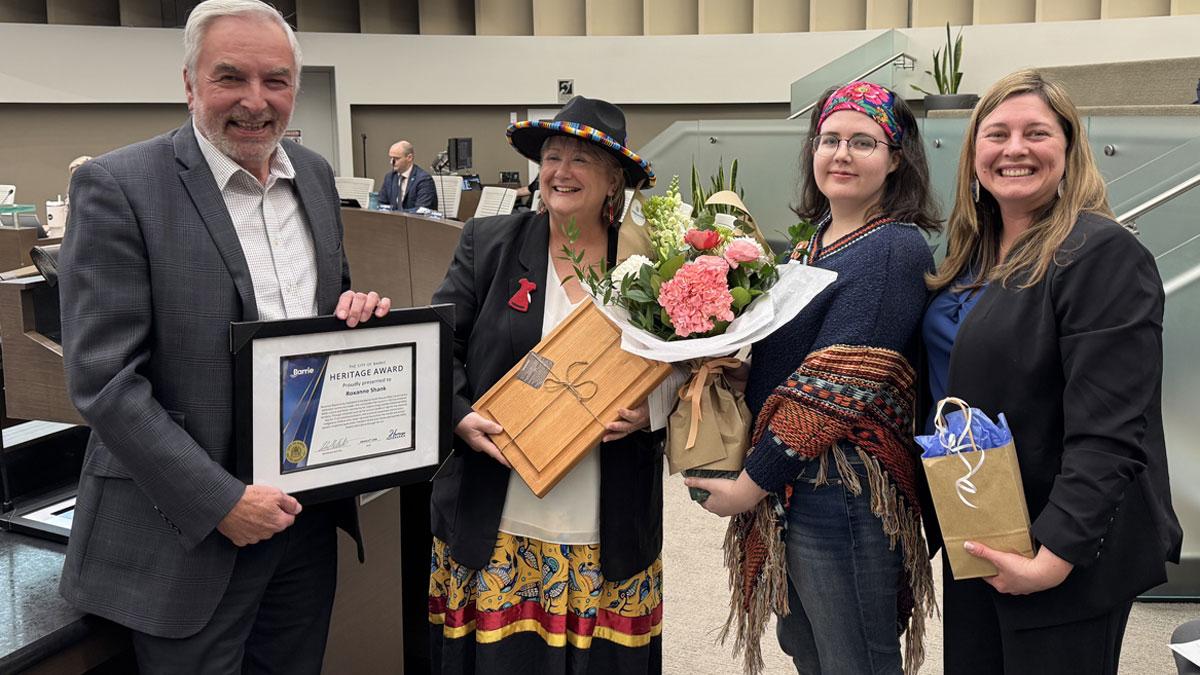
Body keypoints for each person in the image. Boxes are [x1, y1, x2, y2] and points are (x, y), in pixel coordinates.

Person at [57, 1, 390, 673]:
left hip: (303, 517)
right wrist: (221, 503)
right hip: (187, 533)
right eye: (230, 77)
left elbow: (322, 311)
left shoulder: (316, 177)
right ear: (189, 84)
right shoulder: (119, 186)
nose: (255, 101)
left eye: (276, 80)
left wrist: (353, 318)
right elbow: (104, 378)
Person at [922, 69, 1182, 675]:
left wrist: (1054, 553)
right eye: (997, 134)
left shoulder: (1101, 253)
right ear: (974, 154)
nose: (1014, 149)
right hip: (980, 523)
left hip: (1059, 540)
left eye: (1036, 132)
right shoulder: (970, 254)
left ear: (1069, 149)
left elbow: (1112, 428)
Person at [687, 81, 940, 675]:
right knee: (811, 652)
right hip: (798, 484)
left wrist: (750, 484)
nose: (842, 154)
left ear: (895, 157)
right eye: (830, 139)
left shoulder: (892, 251)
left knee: (854, 658)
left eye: (863, 141)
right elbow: (787, 362)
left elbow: (834, 388)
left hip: (843, 490)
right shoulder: (813, 245)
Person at [427, 95, 663, 673]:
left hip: (605, 513)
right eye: (553, 155)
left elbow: (686, 368)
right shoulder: (489, 243)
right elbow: (439, 345)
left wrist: (652, 410)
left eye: (581, 159)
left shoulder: (654, 262)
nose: (561, 171)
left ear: (615, 181)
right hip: (497, 505)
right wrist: (458, 414)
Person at [378, 140, 438, 211]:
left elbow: (422, 210)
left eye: (396, 159)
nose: (391, 162)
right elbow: (381, 204)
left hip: (415, 221)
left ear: (409, 157)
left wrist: (396, 214)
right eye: (391, 158)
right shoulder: (390, 177)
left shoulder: (424, 180)